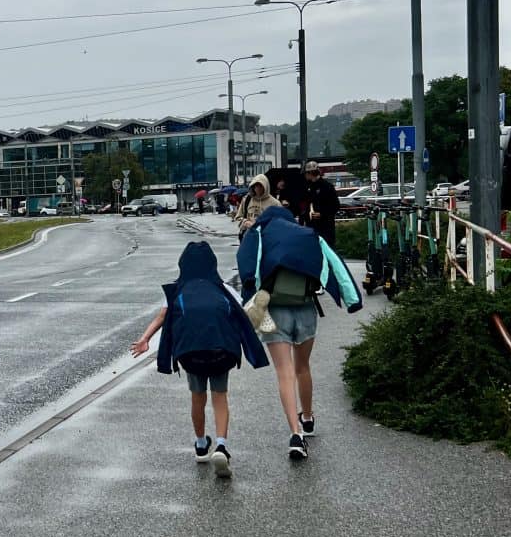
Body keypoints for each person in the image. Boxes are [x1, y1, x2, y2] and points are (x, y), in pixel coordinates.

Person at [130, 241, 269, 479]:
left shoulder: (177, 289)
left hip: (190, 352)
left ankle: (201, 444)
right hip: (221, 350)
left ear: (183, 264)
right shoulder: (224, 288)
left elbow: (162, 317)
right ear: (212, 264)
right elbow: (246, 317)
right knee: (220, 397)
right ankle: (222, 446)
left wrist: (144, 339)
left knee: (197, 397)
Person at [237, 206, 362, 460]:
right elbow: (335, 265)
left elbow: (246, 268)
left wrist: (249, 298)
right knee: (302, 367)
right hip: (306, 309)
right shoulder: (309, 235)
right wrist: (352, 300)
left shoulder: (259, 233)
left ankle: (295, 435)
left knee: (284, 372)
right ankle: (307, 418)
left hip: (274, 310)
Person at [234, 173, 282, 241]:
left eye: (261, 185)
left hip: (267, 239)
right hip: (248, 238)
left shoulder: (275, 203)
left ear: (265, 186)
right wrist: (245, 222)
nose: (258, 188)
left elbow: (280, 223)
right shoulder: (247, 200)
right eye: (256, 185)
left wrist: (261, 224)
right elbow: (238, 218)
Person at [304, 161, 340, 247]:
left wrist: (322, 214)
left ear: (310, 173)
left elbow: (335, 205)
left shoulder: (327, 186)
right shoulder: (308, 187)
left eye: (306, 173)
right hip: (311, 226)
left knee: (327, 250)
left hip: (325, 227)